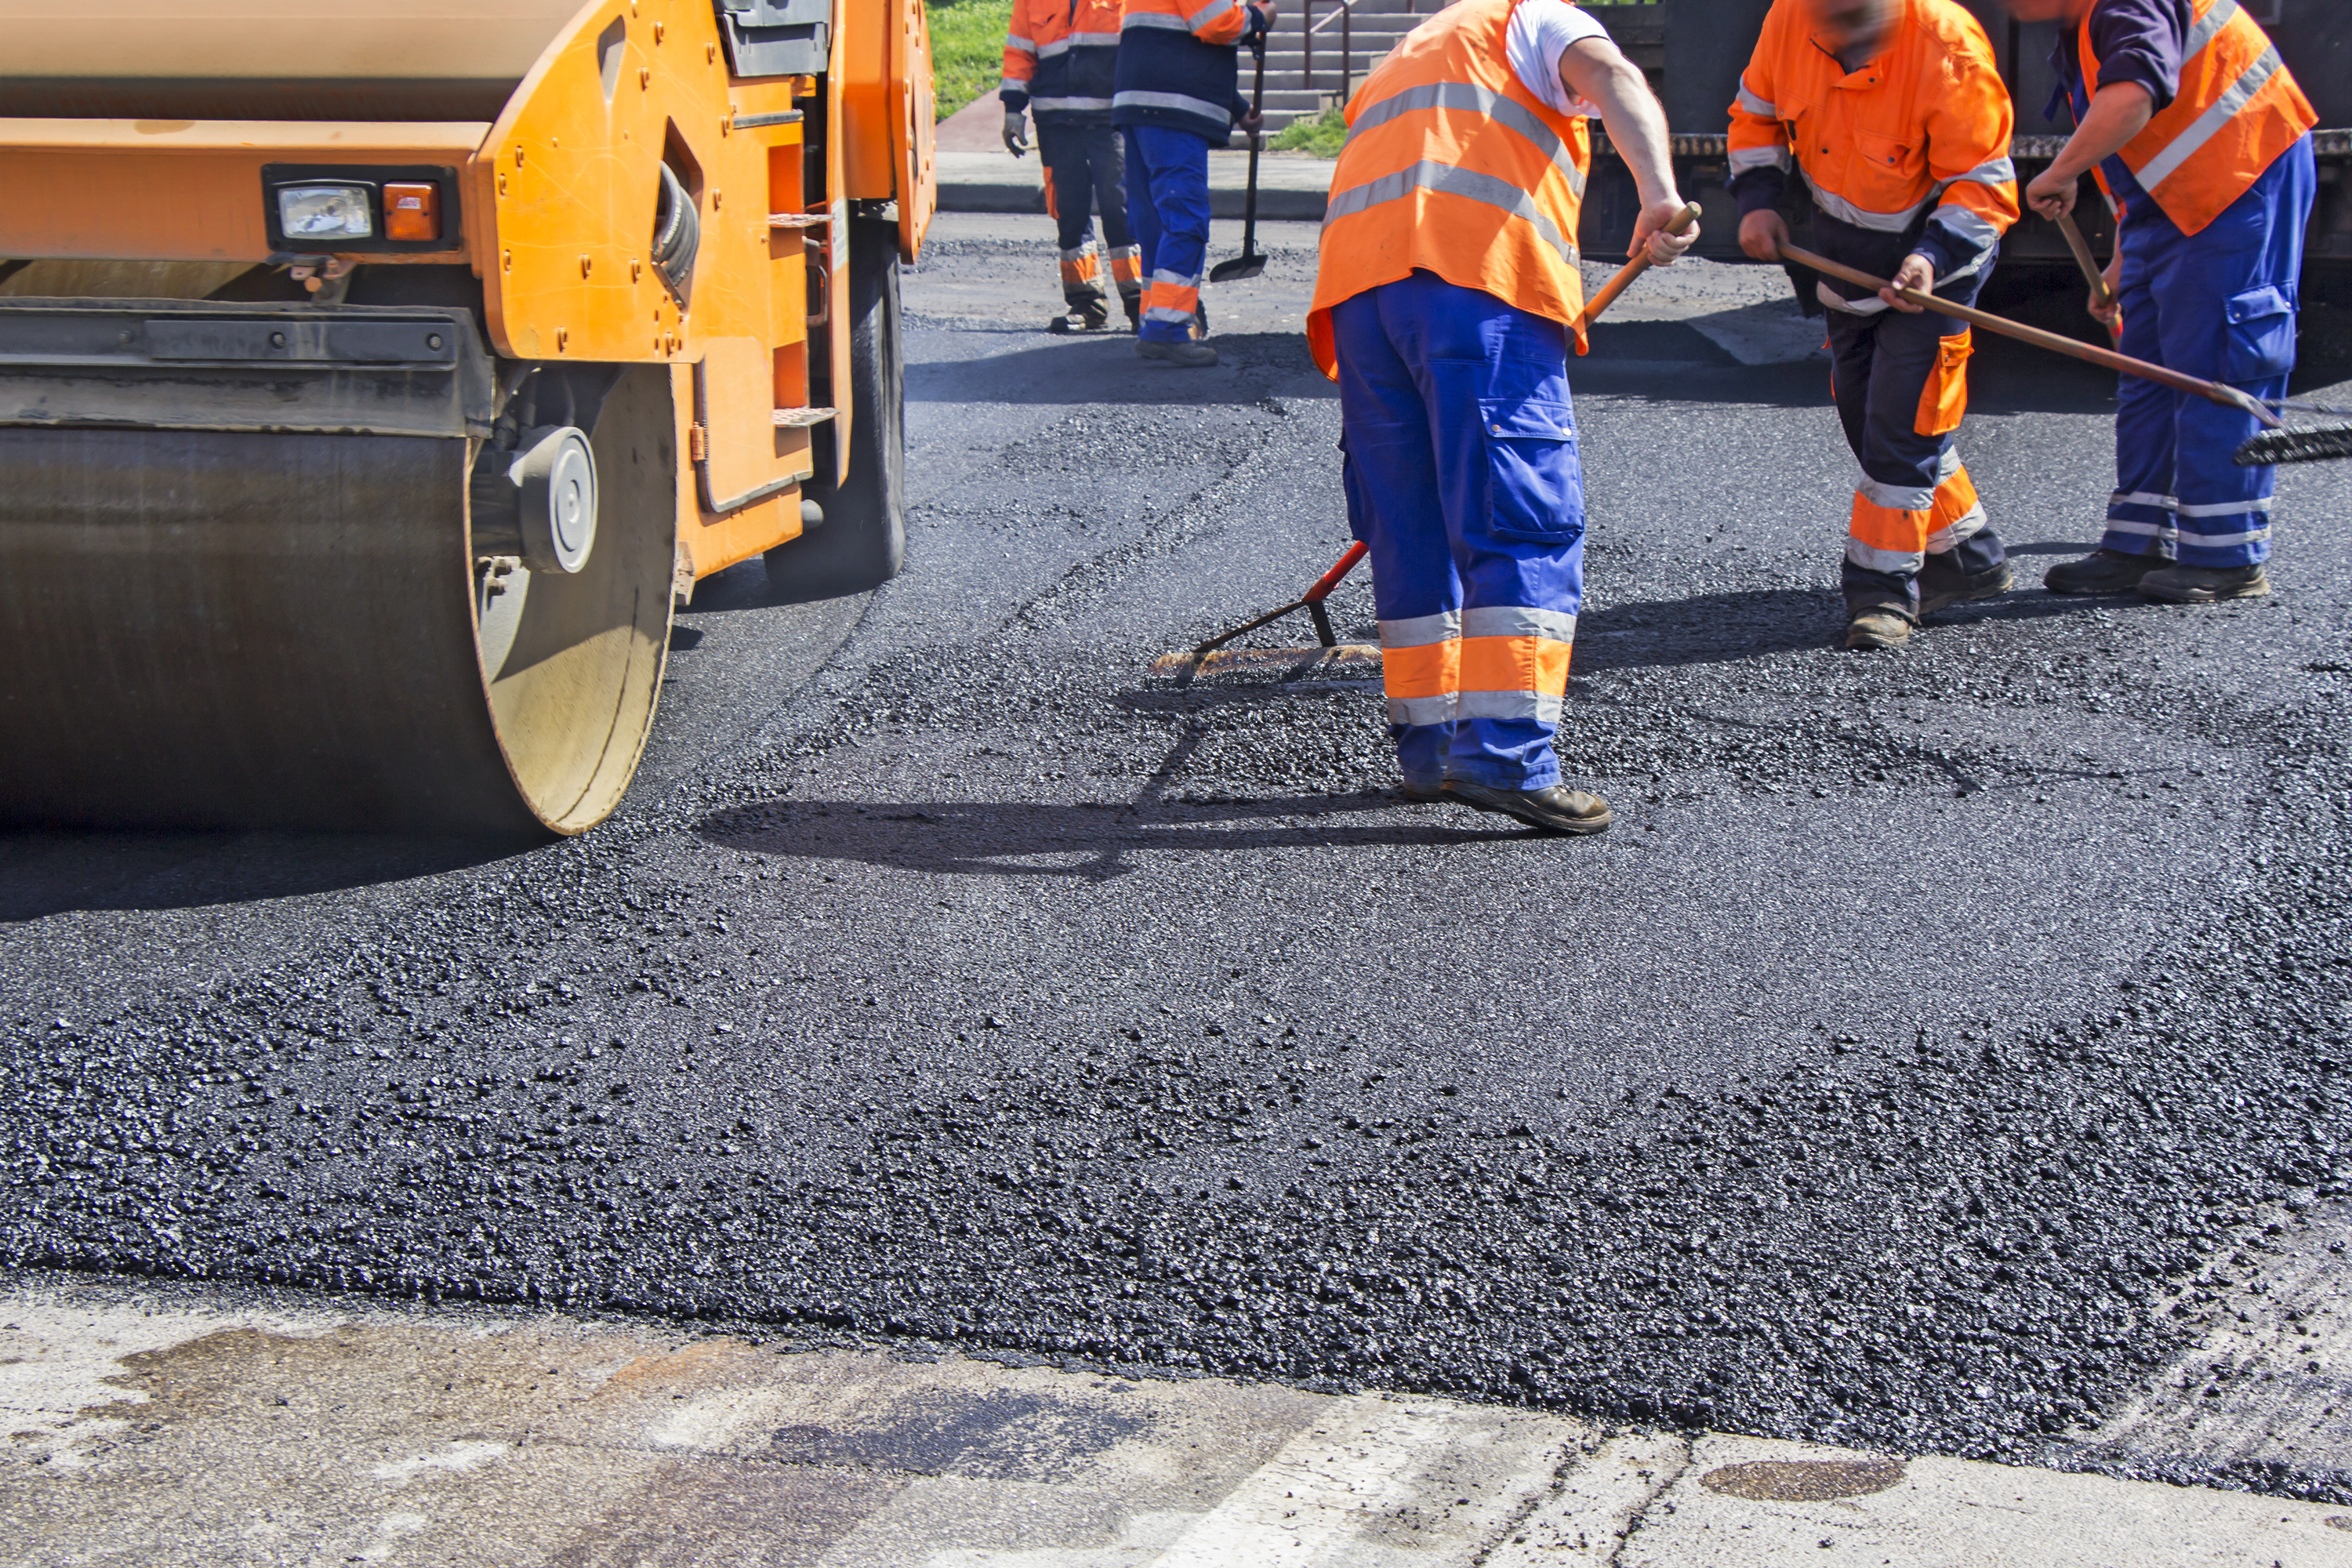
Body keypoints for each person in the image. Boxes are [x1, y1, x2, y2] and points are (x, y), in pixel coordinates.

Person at [1305, 0, 1696, 834]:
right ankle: (1508, 755)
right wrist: (1659, 193)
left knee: (1409, 526)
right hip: (1474, 288)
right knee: (1520, 518)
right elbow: (1616, 78)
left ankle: (1431, 751)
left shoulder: (1407, 53)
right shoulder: (1536, 18)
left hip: (1363, 301)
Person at [1730, 0, 2023, 652]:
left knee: (1902, 429)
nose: (1836, 34)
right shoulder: (1790, 18)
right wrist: (1757, 201)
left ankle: (1883, 592)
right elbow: (1756, 115)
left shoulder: (1948, 48)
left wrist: (1930, 258)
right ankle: (1972, 555)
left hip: (1937, 270)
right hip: (1845, 262)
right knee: (1868, 417)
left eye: (1854, 21)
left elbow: (1982, 187)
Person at [2005, 0, 2317, 604]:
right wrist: (2126, 259)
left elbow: (2135, 97)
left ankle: (2227, 556)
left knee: (2220, 364)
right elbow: (2143, 150)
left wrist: (2060, 171)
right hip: (2170, 204)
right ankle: (2138, 540)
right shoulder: (2082, 27)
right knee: (2146, 367)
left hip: (2243, 171)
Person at [1112, 0, 1274, 368]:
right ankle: (1167, 331)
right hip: (1172, 109)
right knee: (1184, 219)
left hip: (1141, 104)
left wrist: (1235, 107)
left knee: (1156, 222)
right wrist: (1262, 16)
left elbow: (1178, 43)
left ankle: (1155, 323)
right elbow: (1216, 23)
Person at [1001, 0, 1145, 332]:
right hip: (1056, 123)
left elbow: (1143, 45)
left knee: (1121, 208)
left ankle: (1140, 302)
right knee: (1070, 211)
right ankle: (1086, 303)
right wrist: (1012, 109)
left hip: (1112, 120)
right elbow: (1020, 51)